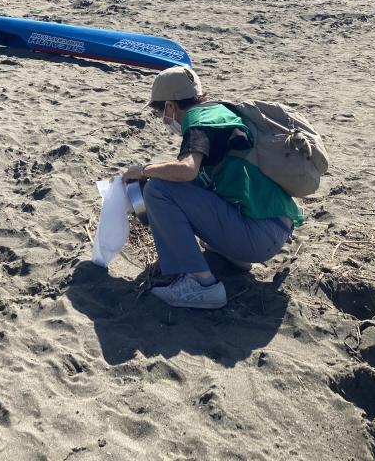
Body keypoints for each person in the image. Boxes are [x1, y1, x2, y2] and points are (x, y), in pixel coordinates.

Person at [122, 67, 303, 309]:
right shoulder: (220, 113)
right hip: (276, 228)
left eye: (159, 112)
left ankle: (202, 284)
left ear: (169, 107)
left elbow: (186, 170)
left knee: (157, 190)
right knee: (175, 187)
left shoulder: (197, 122)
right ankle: (232, 258)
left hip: (257, 236)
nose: (163, 120)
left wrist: (144, 170)